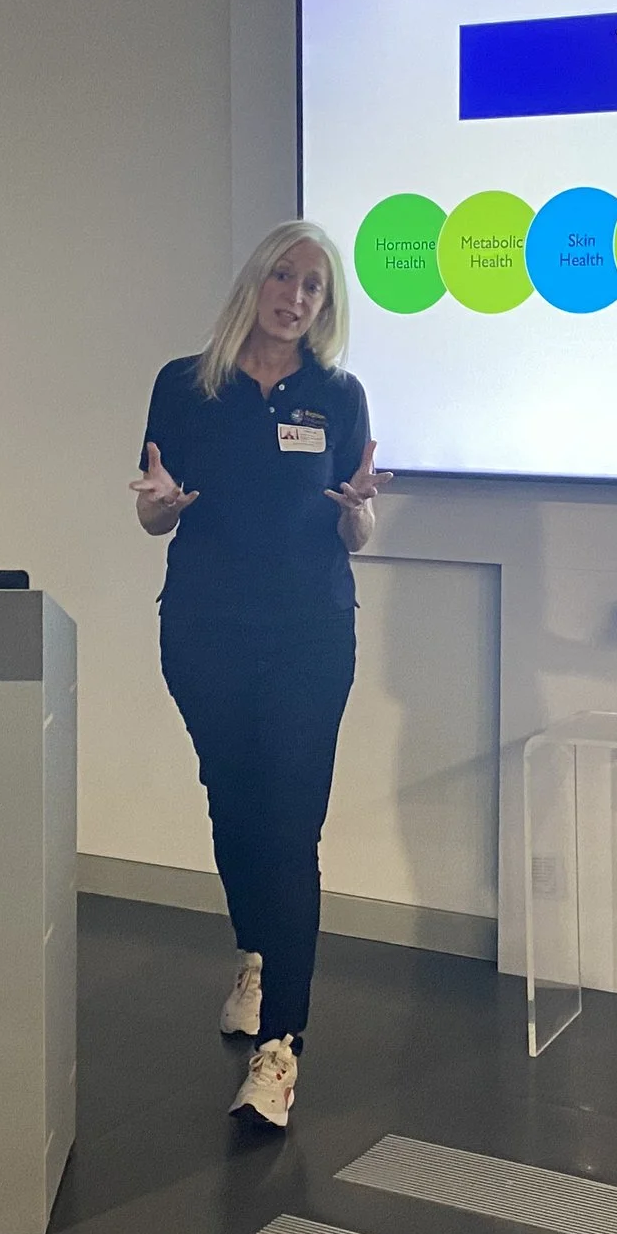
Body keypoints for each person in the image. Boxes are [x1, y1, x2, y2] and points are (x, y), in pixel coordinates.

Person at [131, 221, 390, 1129]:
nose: (297, 296)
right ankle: (256, 955)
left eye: (315, 286)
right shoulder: (186, 384)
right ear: (256, 281)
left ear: (327, 304)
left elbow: (352, 529)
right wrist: (159, 507)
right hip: (205, 630)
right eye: (285, 276)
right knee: (233, 804)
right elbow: (156, 515)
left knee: (289, 827)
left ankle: (282, 1048)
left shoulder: (340, 394)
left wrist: (360, 517)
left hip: (311, 632)